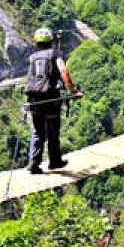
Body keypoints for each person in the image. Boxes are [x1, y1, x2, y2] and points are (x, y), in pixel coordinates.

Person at [24, 27, 83, 174]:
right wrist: (74, 91)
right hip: (51, 99)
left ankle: (33, 162)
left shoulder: (32, 58)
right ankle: (55, 161)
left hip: (34, 100)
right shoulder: (56, 54)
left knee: (37, 132)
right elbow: (63, 71)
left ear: (36, 43)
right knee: (53, 131)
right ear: (50, 41)